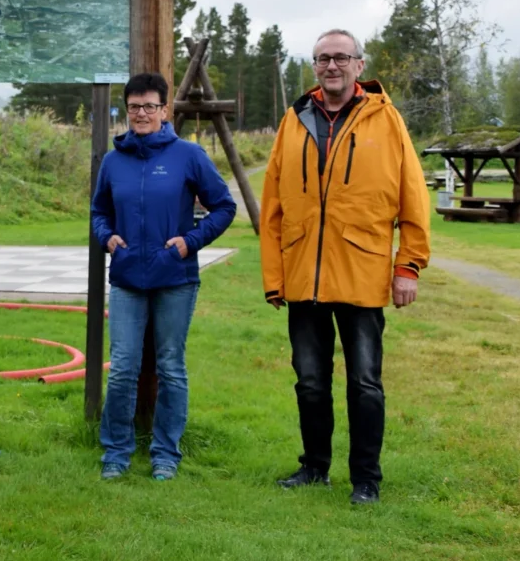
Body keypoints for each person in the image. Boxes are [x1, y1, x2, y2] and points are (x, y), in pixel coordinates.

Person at [260, 28, 430, 505]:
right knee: (310, 382)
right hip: (304, 279)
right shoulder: (293, 121)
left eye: (340, 57)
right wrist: (275, 279)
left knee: (364, 383)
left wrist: (408, 267)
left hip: (363, 275)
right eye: (321, 59)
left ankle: (366, 480)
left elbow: (412, 198)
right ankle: (314, 468)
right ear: (314, 67)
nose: (331, 66)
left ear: (359, 64)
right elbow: (272, 205)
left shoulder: (387, 120)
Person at [90, 72, 237, 481]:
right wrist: (107, 237)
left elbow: (224, 207)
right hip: (126, 280)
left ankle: (165, 453)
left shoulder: (188, 156)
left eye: (149, 106)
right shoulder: (113, 161)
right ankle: (116, 452)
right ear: (127, 110)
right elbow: (99, 211)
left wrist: (191, 242)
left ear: (164, 110)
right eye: (134, 107)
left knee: (170, 367)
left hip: (175, 278)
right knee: (122, 368)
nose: (141, 114)